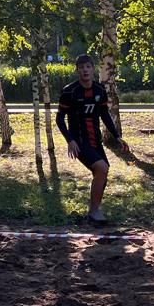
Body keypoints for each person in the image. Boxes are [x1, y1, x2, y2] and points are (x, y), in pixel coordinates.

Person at [57, 54, 129, 225]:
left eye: (88, 67)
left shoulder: (99, 90)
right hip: (79, 141)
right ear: (77, 70)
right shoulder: (69, 91)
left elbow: (104, 114)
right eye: (81, 67)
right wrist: (70, 140)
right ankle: (95, 211)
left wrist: (117, 136)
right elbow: (60, 119)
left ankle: (93, 210)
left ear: (93, 68)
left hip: (95, 140)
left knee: (103, 172)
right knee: (102, 169)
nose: (85, 70)